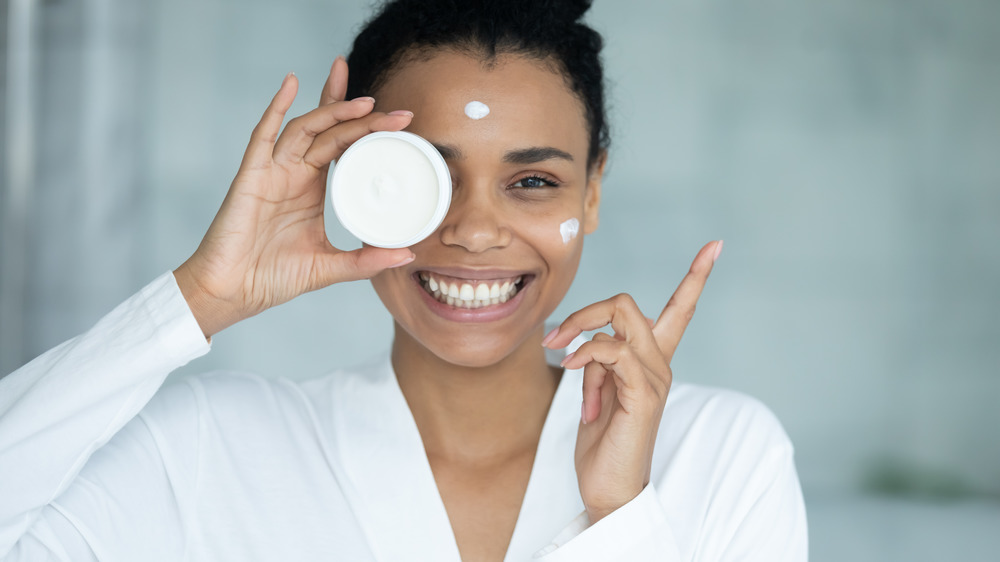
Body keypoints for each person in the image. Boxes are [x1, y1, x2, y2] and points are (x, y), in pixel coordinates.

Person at [0, 0, 808, 560]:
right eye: (427, 176)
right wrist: (200, 297)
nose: (474, 230)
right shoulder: (212, 446)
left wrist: (620, 517)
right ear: (353, 178)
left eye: (532, 182)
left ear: (592, 190)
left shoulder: (720, 455)